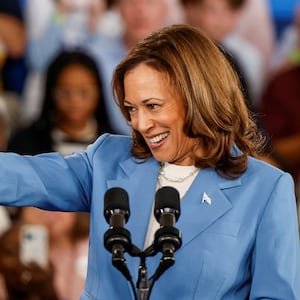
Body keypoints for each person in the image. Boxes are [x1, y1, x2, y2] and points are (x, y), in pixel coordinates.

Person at [0, 24, 299, 299]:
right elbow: (27, 176)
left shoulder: (265, 188)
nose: (140, 124)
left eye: (152, 106)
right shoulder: (108, 159)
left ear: (197, 98)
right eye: (131, 109)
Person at [8, 49, 113, 155]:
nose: (74, 100)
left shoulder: (115, 146)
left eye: (84, 92)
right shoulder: (25, 143)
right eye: (65, 92)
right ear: (51, 92)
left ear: (98, 92)